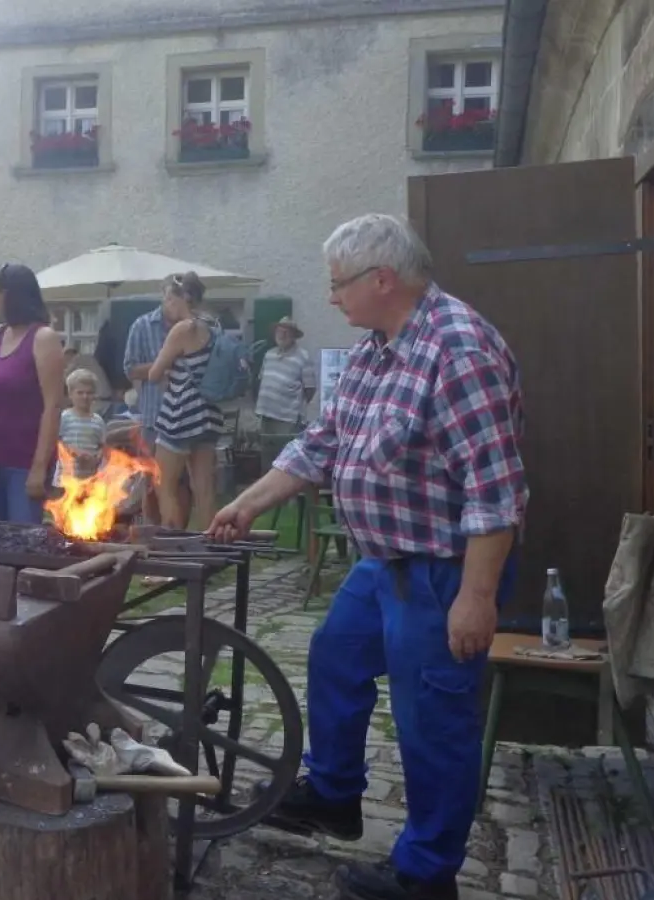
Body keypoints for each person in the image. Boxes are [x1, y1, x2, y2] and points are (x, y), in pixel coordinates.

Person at [209, 214, 525, 900]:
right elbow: (320, 445)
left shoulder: (458, 350)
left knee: (431, 721)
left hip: (442, 570)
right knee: (334, 657)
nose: (331, 298)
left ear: (383, 280)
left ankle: (425, 873)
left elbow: (495, 491)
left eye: (338, 284)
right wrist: (248, 504)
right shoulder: (374, 350)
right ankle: (334, 793)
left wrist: (477, 596)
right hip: (383, 562)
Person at [0, 263, 65, 523]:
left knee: (21, 543)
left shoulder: (43, 338)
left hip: (23, 463)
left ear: (10, 295)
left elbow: (53, 406)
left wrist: (40, 467)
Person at [147, 272, 224, 529]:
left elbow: (153, 373)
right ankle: (212, 546)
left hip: (180, 415)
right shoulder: (214, 327)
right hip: (208, 415)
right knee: (204, 489)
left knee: (163, 484)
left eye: (168, 297)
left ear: (184, 297)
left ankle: (172, 546)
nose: (165, 304)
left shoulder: (183, 329)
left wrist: (168, 370)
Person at [122, 286, 194, 527]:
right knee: (151, 482)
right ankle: (151, 535)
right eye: (176, 300)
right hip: (154, 417)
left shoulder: (194, 326)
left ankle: (179, 536)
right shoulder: (142, 326)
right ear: (167, 298)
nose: (181, 306)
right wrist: (163, 363)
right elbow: (130, 369)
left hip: (187, 417)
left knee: (183, 483)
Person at [255, 317, 316, 463]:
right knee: (266, 456)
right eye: (279, 331)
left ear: (294, 336)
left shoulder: (303, 356)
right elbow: (262, 380)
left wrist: (294, 406)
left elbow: (310, 388)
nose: (281, 335)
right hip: (266, 414)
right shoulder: (269, 354)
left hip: (288, 419)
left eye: (286, 332)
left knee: (285, 459)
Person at [58, 368, 107, 481]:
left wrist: (96, 458)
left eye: (89, 393)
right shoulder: (64, 417)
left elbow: (102, 446)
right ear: (70, 394)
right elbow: (57, 442)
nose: (85, 396)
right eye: (80, 393)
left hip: (89, 476)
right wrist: (75, 452)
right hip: (66, 476)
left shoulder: (98, 421)